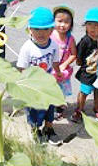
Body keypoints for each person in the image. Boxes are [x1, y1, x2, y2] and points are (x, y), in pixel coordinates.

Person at [16, 7, 63, 145]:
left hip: (48, 82)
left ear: (52, 30)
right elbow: (21, 68)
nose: (41, 33)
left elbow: (55, 61)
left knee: (50, 107)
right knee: (34, 109)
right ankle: (35, 130)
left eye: (45, 29)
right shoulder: (27, 48)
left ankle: (48, 128)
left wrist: (58, 72)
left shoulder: (53, 45)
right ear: (30, 29)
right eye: (36, 29)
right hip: (32, 84)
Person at [71, 7, 98, 123]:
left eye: (96, 25)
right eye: (89, 24)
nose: (92, 28)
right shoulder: (85, 41)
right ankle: (79, 110)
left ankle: (97, 109)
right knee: (84, 92)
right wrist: (81, 63)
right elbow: (79, 58)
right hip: (87, 72)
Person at [50, 5, 77, 120]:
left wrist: (64, 65)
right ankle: (49, 107)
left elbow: (74, 54)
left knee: (60, 91)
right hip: (50, 69)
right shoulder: (50, 35)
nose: (62, 25)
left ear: (71, 24)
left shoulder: (70, 39)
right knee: (50, 89)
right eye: (59, 21)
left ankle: (59, 108)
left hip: (62, 71)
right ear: (53, 21)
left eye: (66, 22)